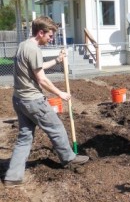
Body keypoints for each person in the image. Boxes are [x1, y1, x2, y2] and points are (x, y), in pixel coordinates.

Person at [3, 16, 89, 187]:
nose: (51, 39)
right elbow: (41, 79)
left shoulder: (24, 45)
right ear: (40, 32)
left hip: (19, 99)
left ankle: (13, 176)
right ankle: (69, 158)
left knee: (24, 137)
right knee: (56, 128)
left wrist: (57, 60)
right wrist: (60, 93)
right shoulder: (34, 50)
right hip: (33, 101)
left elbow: (37, 68)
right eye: (49, 36)